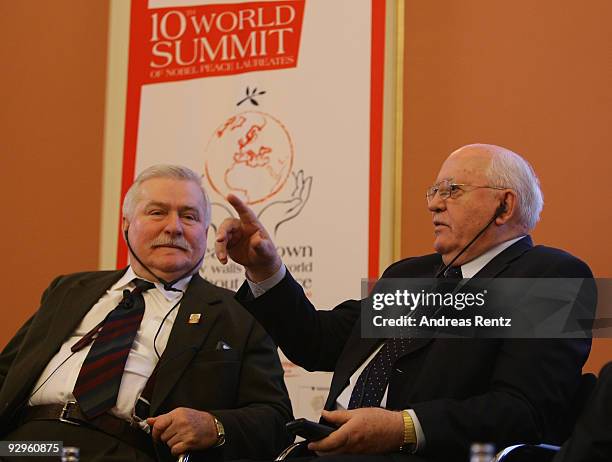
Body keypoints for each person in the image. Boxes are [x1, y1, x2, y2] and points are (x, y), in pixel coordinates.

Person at [215, 144, 594, 461]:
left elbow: (525, 412)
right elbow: (318, 343)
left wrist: (403, 427)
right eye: (434, 191)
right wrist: (266, 269)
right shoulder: (409, 275)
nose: (435, 205)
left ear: (504, 206)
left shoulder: (553, 276)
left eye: (453, 190)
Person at [0, 165, 293, 461]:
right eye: (157, 212)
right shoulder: (69, 289)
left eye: (189, 217)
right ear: (126, 224)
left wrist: (214, 426)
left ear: (205, 233)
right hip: (27, 444)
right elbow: (7, 372)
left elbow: (276, 420)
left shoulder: (239, 313)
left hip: (123, 449)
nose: (174, 227)